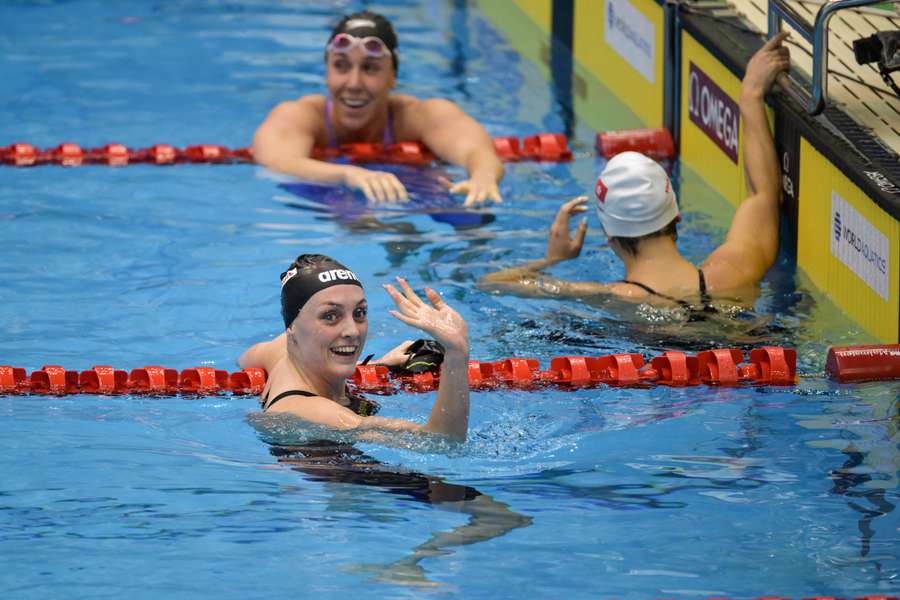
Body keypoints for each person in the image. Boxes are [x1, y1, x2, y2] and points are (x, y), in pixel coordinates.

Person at [480, 33, 791, 310]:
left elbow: (493, 283)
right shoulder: (734, 271)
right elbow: (763, 193)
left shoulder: (611, 297)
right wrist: (750, 95)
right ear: (676, 215)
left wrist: (553, 258)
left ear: (609, 236)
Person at [253, 11, 504, 207]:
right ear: (327, 71)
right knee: (348, 208)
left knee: (467, 216)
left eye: (370, 68)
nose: (353, 83)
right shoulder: (299, 115)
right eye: (341, 66)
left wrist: (483, 177)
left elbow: (477, 151)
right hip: (326, 190)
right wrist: (347, 175)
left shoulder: (421, 115)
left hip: (412, 186)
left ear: (393, 76)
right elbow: (276, 161)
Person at [239, 253, 471, 441]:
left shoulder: (281, 348)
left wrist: (375, 365)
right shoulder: (309, 410)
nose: (352, 330)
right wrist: (456, 354)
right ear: (292, 329)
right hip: (340, 475)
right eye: (330, 316)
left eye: (359, 313)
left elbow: (245, 359)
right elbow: (441, 442)